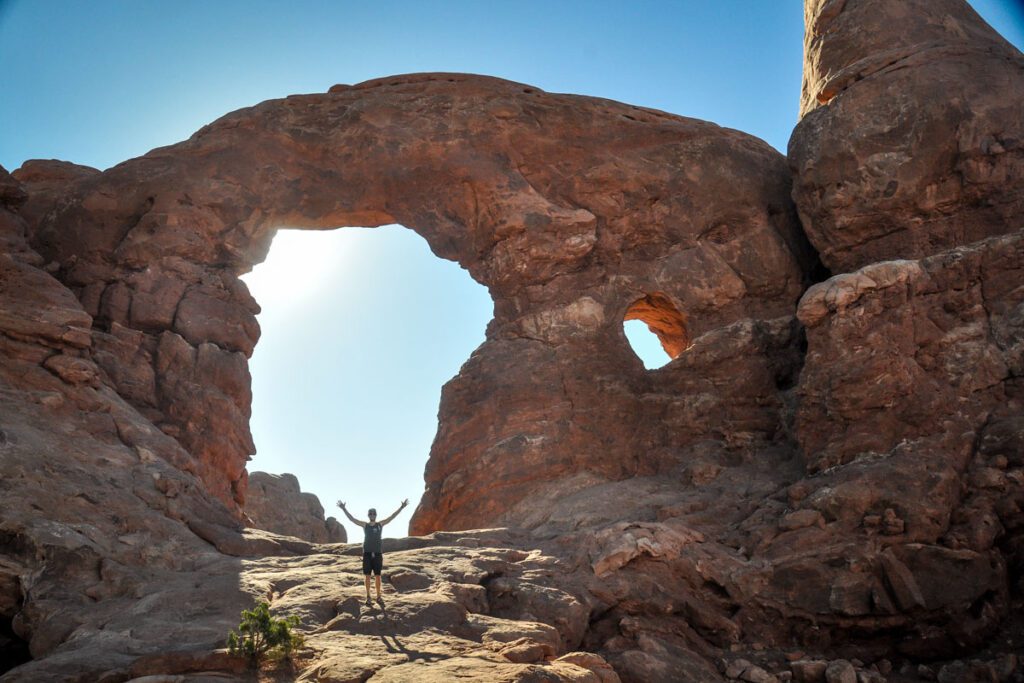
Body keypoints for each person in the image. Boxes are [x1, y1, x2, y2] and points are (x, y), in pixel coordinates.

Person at [336, 498, 408, 605]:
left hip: (378, 553)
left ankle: (379, 596)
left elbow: (392, 517)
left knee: (378, 576)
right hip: (367, 554)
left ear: (376, 515)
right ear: (368, 515)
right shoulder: (365, 525)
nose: (372, 515)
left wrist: (401, 507)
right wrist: (344, 509)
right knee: (367, 576)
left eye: (374, 513)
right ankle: (368, 596)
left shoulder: (380, 524)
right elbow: (352, 519)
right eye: (371, 513)